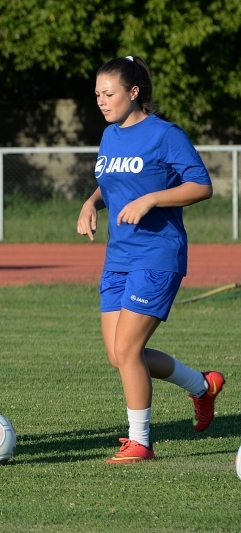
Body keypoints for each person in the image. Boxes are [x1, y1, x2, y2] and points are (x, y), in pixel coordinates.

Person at [77, 56, 224, 463]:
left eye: (109, 94)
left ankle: (139, 442)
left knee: (127, 351)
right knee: (120, 355)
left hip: (158, 256)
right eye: (97, 95)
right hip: (118, 258)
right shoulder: (109, 136)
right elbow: (111, 184)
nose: (101, 102)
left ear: (134, 92)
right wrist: (90, 203)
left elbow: (202, 185)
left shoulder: (165, 134)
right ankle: (202, 386)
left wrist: (153, 198)